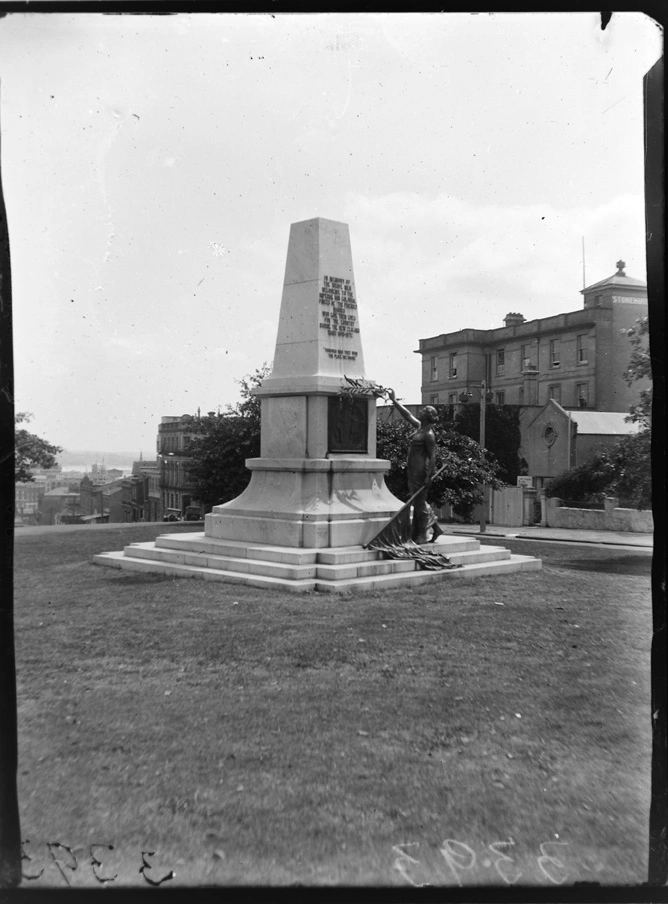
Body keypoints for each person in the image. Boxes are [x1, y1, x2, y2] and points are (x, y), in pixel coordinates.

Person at [387, 389, 444, 544]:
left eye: (424, 410)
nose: (421, 411)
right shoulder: (419, 427)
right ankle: (436, 529)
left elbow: (433, 456)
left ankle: (422, 534)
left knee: (418, 502)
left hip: (421, 471)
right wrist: (394, 400)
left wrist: (428, 476)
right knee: (418, 501)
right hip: (412, 468)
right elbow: (406, 415)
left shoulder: (429, 434)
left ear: (428, 416)